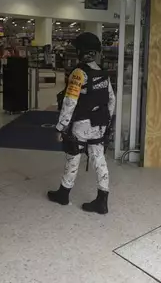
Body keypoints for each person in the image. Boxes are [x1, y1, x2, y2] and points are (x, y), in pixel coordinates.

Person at [47, 32, 116, 214]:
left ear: (81, 51)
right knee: (99, 159)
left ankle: (63, 193)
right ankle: (102, 200)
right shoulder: (103, 72)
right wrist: (107, 122)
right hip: (99, 124)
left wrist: (61, 127)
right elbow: (111, 99)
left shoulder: (79, 73)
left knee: (73, 157)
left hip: (81, 124)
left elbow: (70, 103)